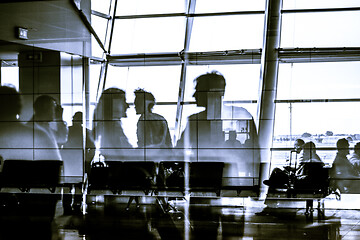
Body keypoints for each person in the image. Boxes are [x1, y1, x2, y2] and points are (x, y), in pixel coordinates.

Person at [0, 86, 61, 166]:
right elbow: (54, 171)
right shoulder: (39, 136)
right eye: (53, 108)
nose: (54, 113)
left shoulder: (40, 133)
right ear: (19, 108)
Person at [92, 88, 132, 160]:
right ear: (115, 104)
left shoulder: (105, 126)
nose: (127, 106)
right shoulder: (113, 127)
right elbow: (127, 153)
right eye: (124, 101)